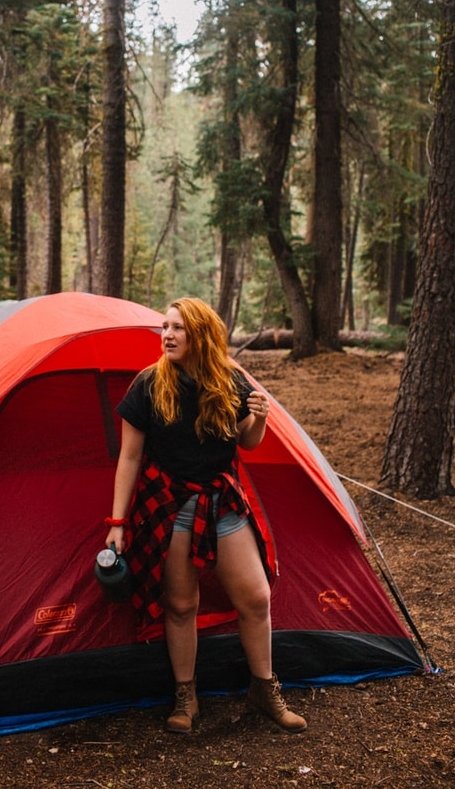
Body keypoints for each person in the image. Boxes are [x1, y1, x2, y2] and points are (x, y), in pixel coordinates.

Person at [104, 297, 307, 735]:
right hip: (170, 504)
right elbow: (129, 458)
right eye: (165, 326)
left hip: (221, 500)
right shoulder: (147, 385)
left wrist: (259, 421)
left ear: (201, 336)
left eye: (178, 328)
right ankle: (186, 695)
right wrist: (117, 525)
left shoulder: (229, 380)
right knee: (180, 605)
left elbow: (245, 444)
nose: (168, 335)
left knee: (255, 597)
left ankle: (263, 690)